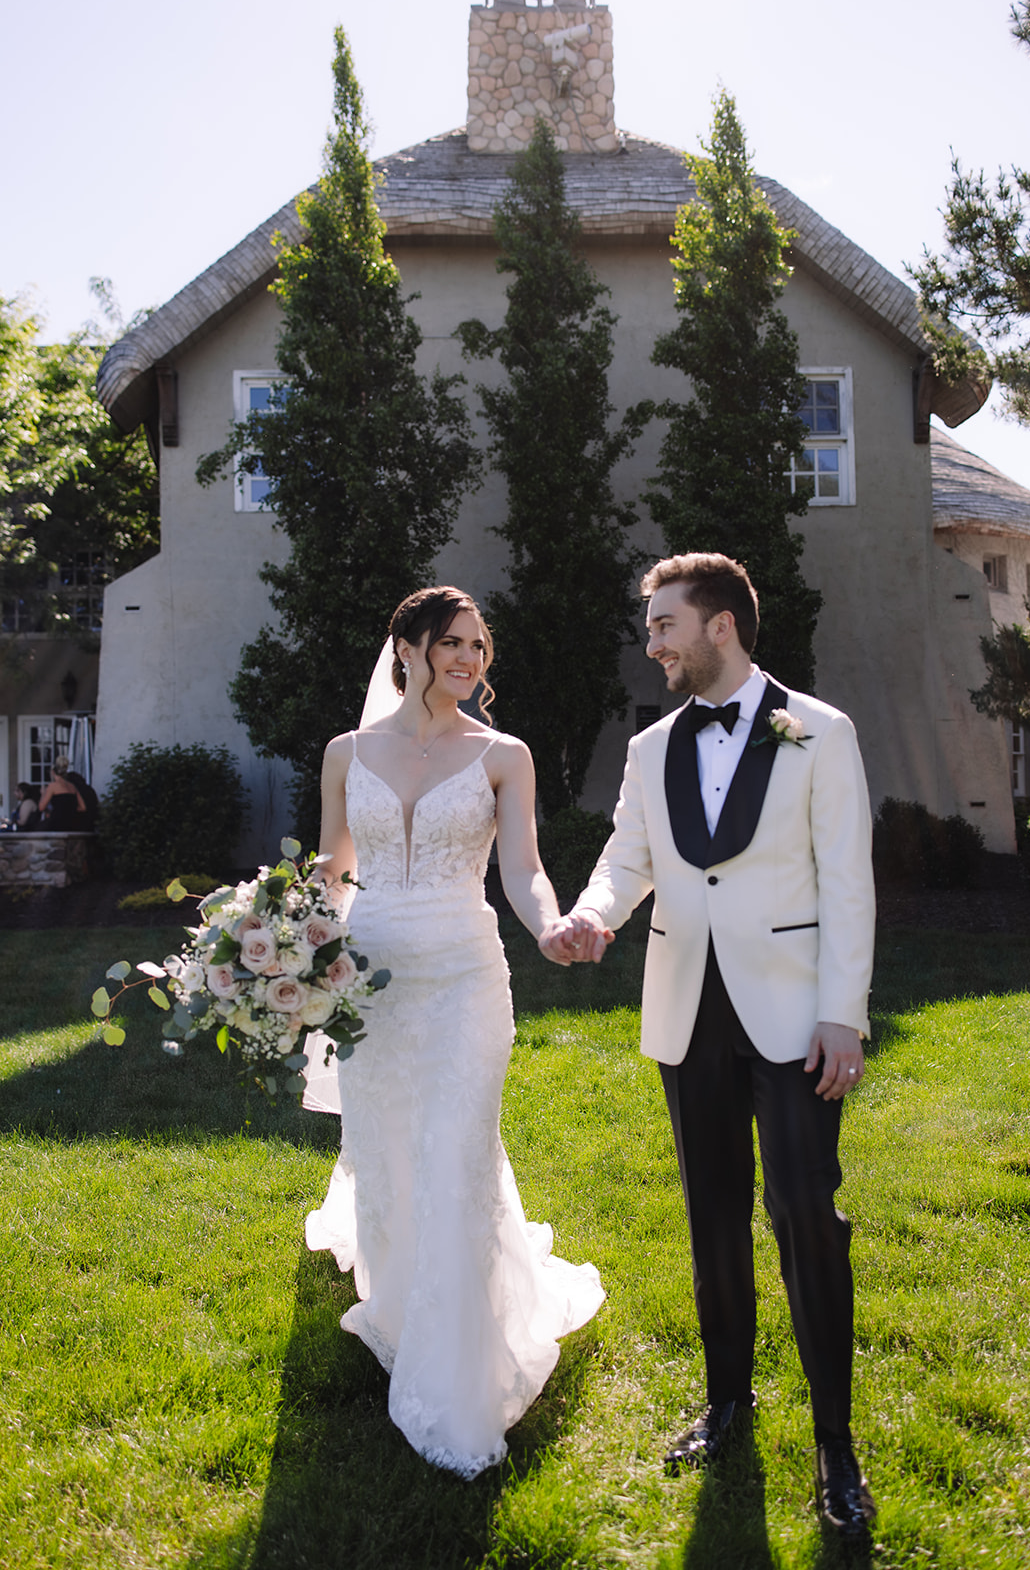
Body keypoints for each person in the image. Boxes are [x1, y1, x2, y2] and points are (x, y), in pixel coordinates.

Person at [540, 552, 877, 1540]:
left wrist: (841, 1013)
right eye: (650, 628)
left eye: (662, 625)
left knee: (803, 1215)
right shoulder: (650, 747)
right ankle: (728, 1400)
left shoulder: (817, 731)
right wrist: (591, 917)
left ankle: (833, 1441)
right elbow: (628, 857)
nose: (651, 644)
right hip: (686, 1010)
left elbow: (846, 879)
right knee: (711, 1215)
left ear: (719, 625)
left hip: (792, 1016)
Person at [304, 585, 605, 1478]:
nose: (470, 661)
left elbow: (524, 870)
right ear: (406, 649)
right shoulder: (344, 753)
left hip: (467, 977)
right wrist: (289, 944)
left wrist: (550, 925)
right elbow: (332, 870)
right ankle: (401, 1304)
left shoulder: (503, 755)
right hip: (373, 983)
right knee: (391, 1151)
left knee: (456, 1151)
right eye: (452, 645)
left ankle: (463, 1369)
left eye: (479, 648)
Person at [37, 757, 86, 830]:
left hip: (56, 822)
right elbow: (83, 807)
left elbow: (41, 807)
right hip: (71, 822)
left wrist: (43, 793)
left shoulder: (52, 786)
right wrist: (69, 810)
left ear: (53, 772)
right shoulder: (72, 786)